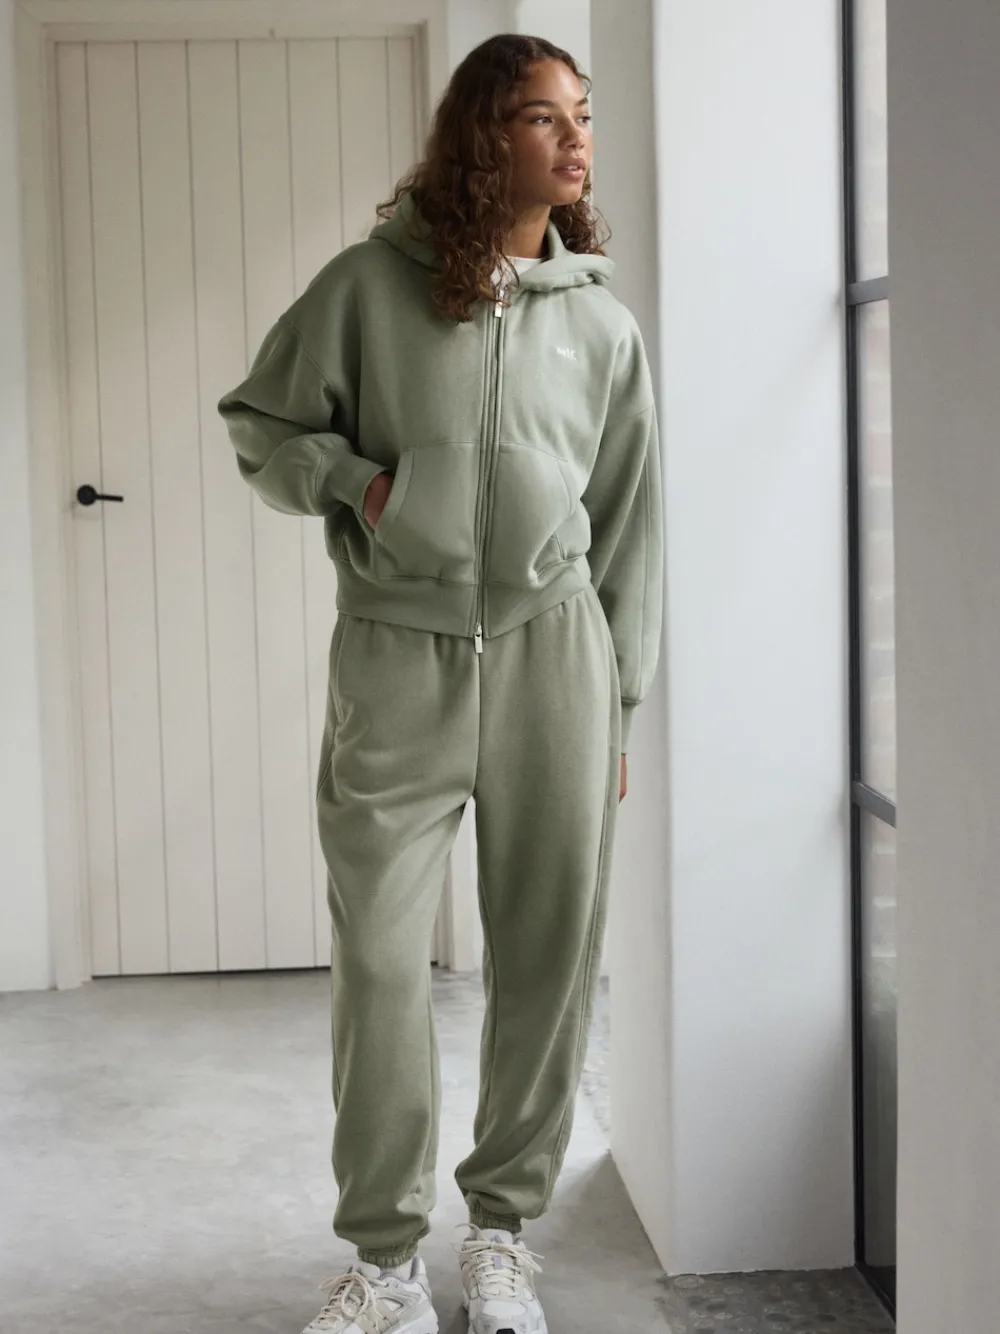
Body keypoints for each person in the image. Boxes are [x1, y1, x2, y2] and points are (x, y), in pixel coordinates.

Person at [217, 31, 663, 1334]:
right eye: (543, 116)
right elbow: (262, 422)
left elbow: (631, 527)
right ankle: (387, 1261)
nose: (576, 138)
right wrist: (361, 485)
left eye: (582, 114)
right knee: (377, 962)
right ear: (483, 134)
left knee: (548, 961)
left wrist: (618, 707)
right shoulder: (367, 287)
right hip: (396, 663)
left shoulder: (601, 324)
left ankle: (503, 1238)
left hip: (554, 663)